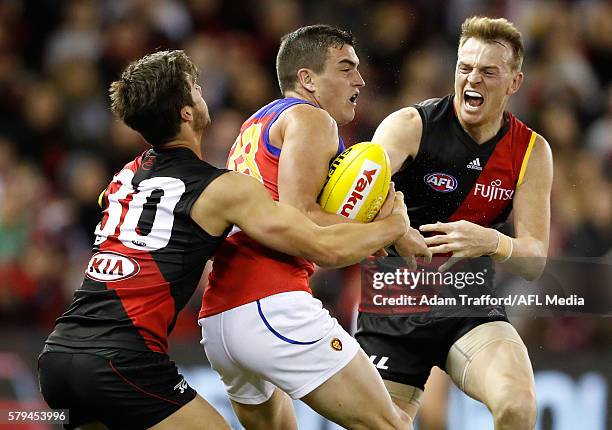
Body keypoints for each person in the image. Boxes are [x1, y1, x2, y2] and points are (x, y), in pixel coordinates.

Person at [37, 49, 413, 430]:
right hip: (122, 358)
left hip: (58, 355)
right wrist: (393, 225)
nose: (202, 93)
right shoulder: (222, 189)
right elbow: (322, 245)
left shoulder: (123, 179)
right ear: (186, 112)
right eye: (195, 89)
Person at [198, 25, 428, 430]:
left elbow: (300, 213)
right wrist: (393, 226)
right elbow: (302, 220)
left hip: (221, 319)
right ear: (307, 79)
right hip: (273, 304)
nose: (359, 79)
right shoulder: (312, 119)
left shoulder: (254, 125)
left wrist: (384, 233)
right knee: (393, 425)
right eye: (345, 68)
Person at [356, 16, 553, 429]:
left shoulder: (531, 151)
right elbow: (357, 198)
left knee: (517, 408)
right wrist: (397, 228)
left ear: (514, 82)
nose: (472, 80)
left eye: (487, 72)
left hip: (468, 304)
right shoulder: (409, 126)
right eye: (464, 68)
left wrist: (492, 243)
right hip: (394, 306)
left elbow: (534, 259)